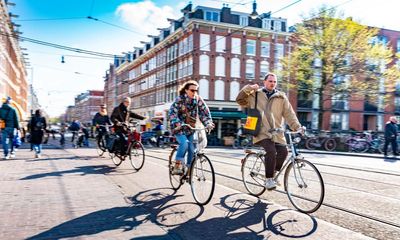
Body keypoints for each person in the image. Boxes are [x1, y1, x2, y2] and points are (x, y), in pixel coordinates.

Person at [236, 72, 303, 190]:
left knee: (283, 152)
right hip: (260, 131)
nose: (272, 83)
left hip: (277, 132)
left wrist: (297, 127)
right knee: (271, 151)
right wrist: (249, 88)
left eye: (274, 82)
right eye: (270, 81)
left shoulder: (281, 97)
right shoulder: (255, 94)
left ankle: (273, 175)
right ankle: (268, 180)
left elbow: (289, 114)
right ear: (264, 82)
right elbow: (240, 100)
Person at [169, 80, 215, 174]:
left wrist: (208, 123)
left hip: (190, 128)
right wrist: (177, 123)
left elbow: (204, 113)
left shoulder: (198, 99)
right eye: (192, 90)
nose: (194, 92)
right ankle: (177, 165)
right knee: (185, 144)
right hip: (179, 128)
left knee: (192, 148)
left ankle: (189, 169)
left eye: (196, 90)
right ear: (186, 90)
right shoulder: (179, 100)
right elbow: (172, 113)